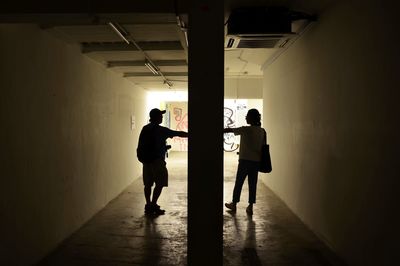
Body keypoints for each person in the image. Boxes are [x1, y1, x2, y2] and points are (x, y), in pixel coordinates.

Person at [137, 108, 188, 215]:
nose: (162, 117)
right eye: (160, 116)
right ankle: (154, 204)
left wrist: (163, 147)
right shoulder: (161, 130)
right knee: (159, 183)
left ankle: (148, 204)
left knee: (147, 185)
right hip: (157, 162)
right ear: (156, 117)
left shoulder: (145, 128)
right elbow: (178, 133)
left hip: (146, 161)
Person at [224, 108, 265, 215]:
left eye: (247, 116)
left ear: (251, 118)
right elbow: (264, 147)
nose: (246, 117)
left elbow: (229, 130)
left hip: (244, 161)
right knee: (253, 184)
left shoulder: (245, 129)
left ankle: (234, 204)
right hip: (256, 162)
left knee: (239, 183)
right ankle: (250, 206)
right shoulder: (262, 131)